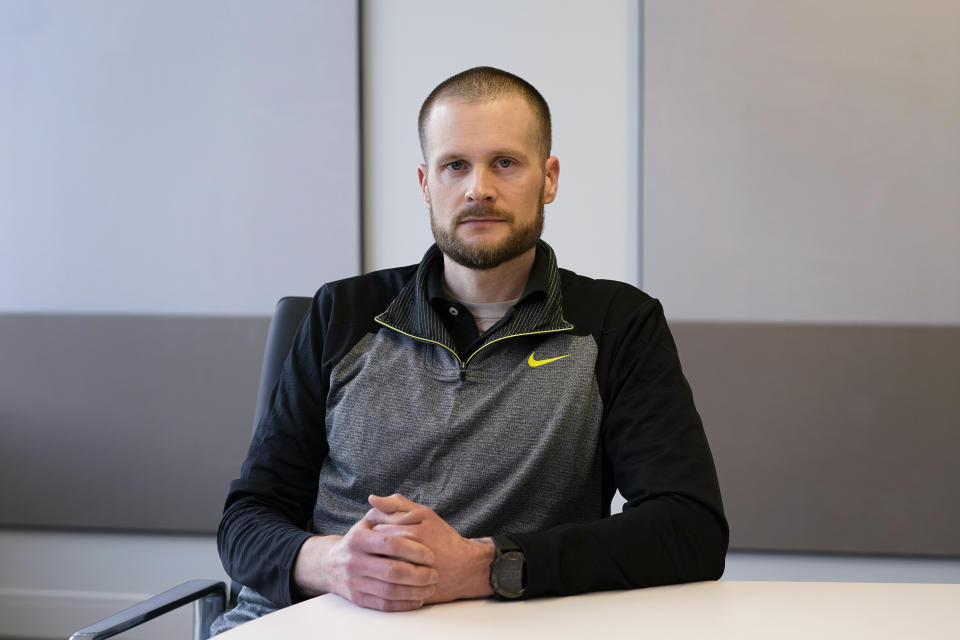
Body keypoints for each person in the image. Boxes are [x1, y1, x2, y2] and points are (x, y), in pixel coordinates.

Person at [211, 66, 727, 633]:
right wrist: (335, 564)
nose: (478, 187)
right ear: (425, 184)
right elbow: (246, 521)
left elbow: (689, 530)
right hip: (308, 623)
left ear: (549, 178)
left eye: (504, 163)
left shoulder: (618, 324)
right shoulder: (342, 312)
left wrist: (483, 567)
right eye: (455, 165)